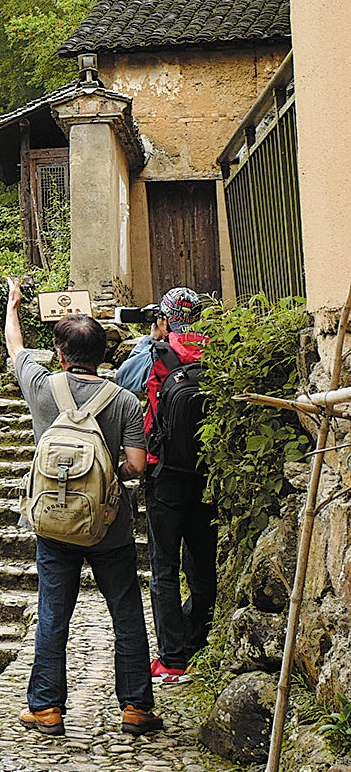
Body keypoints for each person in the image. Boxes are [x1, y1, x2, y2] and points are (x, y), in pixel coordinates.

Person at [6, 277, 163, 737]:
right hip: (109, 525)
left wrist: (14, 304)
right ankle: (135, 708)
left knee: (54, 614)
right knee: (127, 613)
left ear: (59, 354)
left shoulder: (41, 386)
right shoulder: (125, 401)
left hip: (53, 525)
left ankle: (47, 709)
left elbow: (15, 346)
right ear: (105, 355)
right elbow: (135, 464)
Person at [116, 287, 214, 684]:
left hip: (163, 474)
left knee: (164, 568)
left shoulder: (158, 352)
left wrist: (151, 340)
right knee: (203, 564)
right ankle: (198, 641)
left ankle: (172, 659)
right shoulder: (217, 351)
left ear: (165, 316)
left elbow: (124, 382)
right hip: (206, 474)